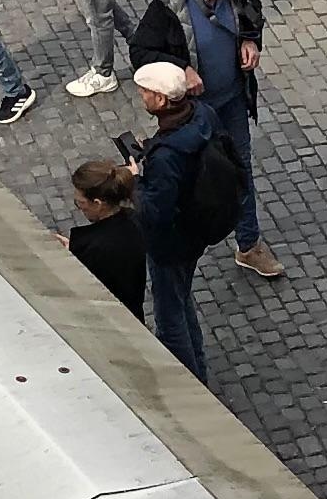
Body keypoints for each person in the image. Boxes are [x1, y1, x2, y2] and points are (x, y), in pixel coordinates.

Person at [127, 59, 236, 380]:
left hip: (171, 243)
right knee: (181, 298)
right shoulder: (203, 115)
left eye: (145, 92)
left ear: (161, 100)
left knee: (169, 318)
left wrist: (135, 181)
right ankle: (198, 367)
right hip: (195, 231)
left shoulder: (166, 156)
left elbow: (154, 211)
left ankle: (192, 383)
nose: (141, 96)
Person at [66, 158, 147, 319]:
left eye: (80, 203)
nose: (80, 207)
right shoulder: (134, 220)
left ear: (98, 204)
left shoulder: (96, 248)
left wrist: (75, 252)